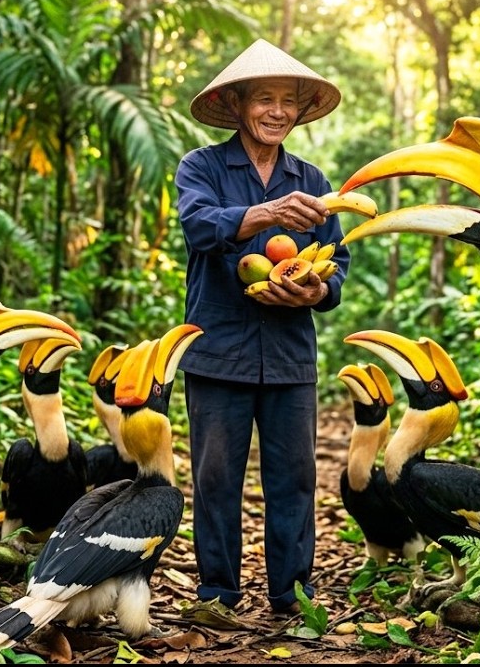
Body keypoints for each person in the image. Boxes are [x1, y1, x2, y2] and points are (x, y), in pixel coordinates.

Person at [174, 38, 350, 616]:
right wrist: (269, 214)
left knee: (294, 481)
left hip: (290, 355)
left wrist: (316, 288)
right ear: (238, 103)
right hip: (217, 350)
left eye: (288, 102)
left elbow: (336, 266)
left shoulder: (315, 179)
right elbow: (199, 228)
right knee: (217, 479)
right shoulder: (201, 166)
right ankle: (217, 595)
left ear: (300, 111)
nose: (276, 111)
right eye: (264, 99)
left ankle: (292, 597)